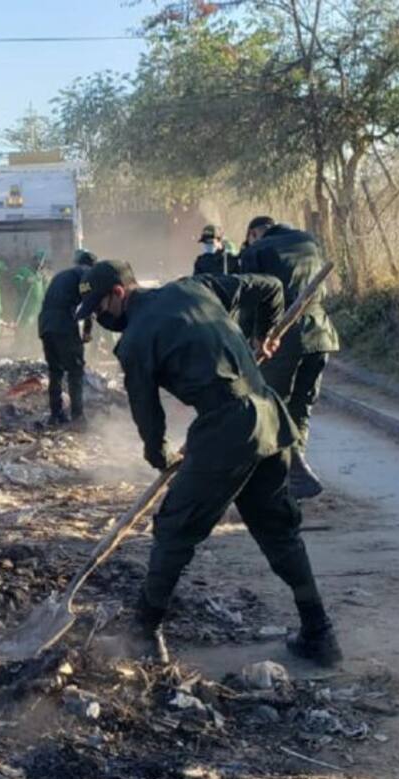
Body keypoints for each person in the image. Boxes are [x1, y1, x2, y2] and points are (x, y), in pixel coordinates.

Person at [76, 261, 341, 666]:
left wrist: (160, 455)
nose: (100, 316)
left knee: (174, 529)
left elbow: (147, 416)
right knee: (277, 531)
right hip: (268, 417)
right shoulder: (196, 286)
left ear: (118, 292)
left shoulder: (134, 342)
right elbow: (270, 286)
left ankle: (144, 634)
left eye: (100, 307)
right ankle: (319, 634)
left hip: (226, 428)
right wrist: (263, 336)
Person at [239, 215, 338, 499]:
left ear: (254, 233)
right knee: (301, 404)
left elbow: (250, 301)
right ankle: (294, 474)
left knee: (272, 405)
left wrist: (251, 339)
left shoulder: (256, 251)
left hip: (281, 338)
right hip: (320, 333)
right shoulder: (309, 241)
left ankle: (294, 471)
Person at [38, 248, 97, 425]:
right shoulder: (86, 274)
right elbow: (89, 302)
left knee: (55, 371)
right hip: (63, 324)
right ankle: (78, 417)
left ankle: (55, 414)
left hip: (45, 325)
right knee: (75, 370)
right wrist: (87, 331)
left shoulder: (62, 275)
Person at [13, 250, 50, 348]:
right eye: (38, 261)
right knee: (24, 326)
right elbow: (15, 281)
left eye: (42, 262)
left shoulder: (42, 274)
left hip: (38, 306)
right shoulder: (24, 270)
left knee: (36, 327)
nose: (40, 264)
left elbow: (46, 289)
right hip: (26, 305)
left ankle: (33, 347)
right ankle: (20, 346)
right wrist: (26, 281)